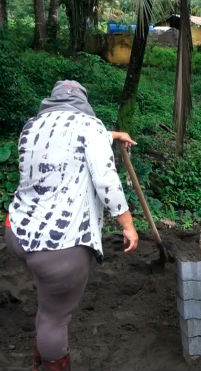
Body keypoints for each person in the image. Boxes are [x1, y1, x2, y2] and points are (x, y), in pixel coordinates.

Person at [4, 80, 138, 370]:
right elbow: (106, 181)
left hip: (17, 231)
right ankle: (51, 360)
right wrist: (127, 224)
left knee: (49, 299)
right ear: (84, 103)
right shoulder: (90, 126)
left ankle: (42, 345)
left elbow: (65, 138)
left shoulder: (31, 126)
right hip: (58, 244)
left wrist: (112, 135)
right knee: (56, 316)